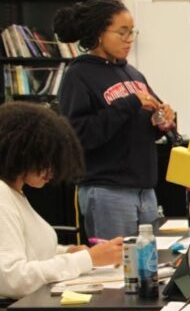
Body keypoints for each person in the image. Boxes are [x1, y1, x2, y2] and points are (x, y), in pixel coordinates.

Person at [53, 0, 177, 240]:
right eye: (122, 32)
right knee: (117, 261)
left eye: (132, 32)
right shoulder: (79, 75)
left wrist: (162, 121)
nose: (129, 39)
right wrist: (129, 104)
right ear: (99, 33)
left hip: (145, 190)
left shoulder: (133, 74)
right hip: (107, 190)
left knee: (150, 260)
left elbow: (140, 126)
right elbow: (77, 136)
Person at [0, 102, 124, 299]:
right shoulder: (2, 196)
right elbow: (12, 278)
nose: (52, 171)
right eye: (46, 160)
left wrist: (67, 253)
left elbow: (30, 251)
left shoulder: (14, 194)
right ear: (21, 151)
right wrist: (87, 259)